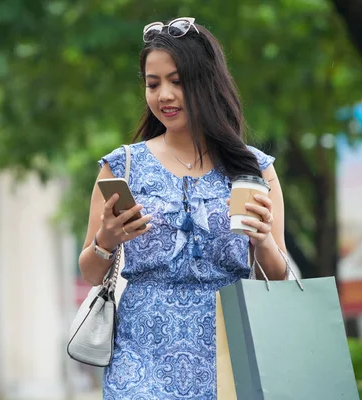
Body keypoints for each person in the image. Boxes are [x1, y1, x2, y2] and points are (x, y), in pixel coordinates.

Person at [78, 17, 288, 398]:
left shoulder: (254, 169)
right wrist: (107, 239)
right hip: (139, 359)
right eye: (153, 84)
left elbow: (279, 277)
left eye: (177, 81)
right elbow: (91, 272)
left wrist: (263, 242)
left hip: (230, 351)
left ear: (206, 81)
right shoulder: (122, 165)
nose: (164, 96)